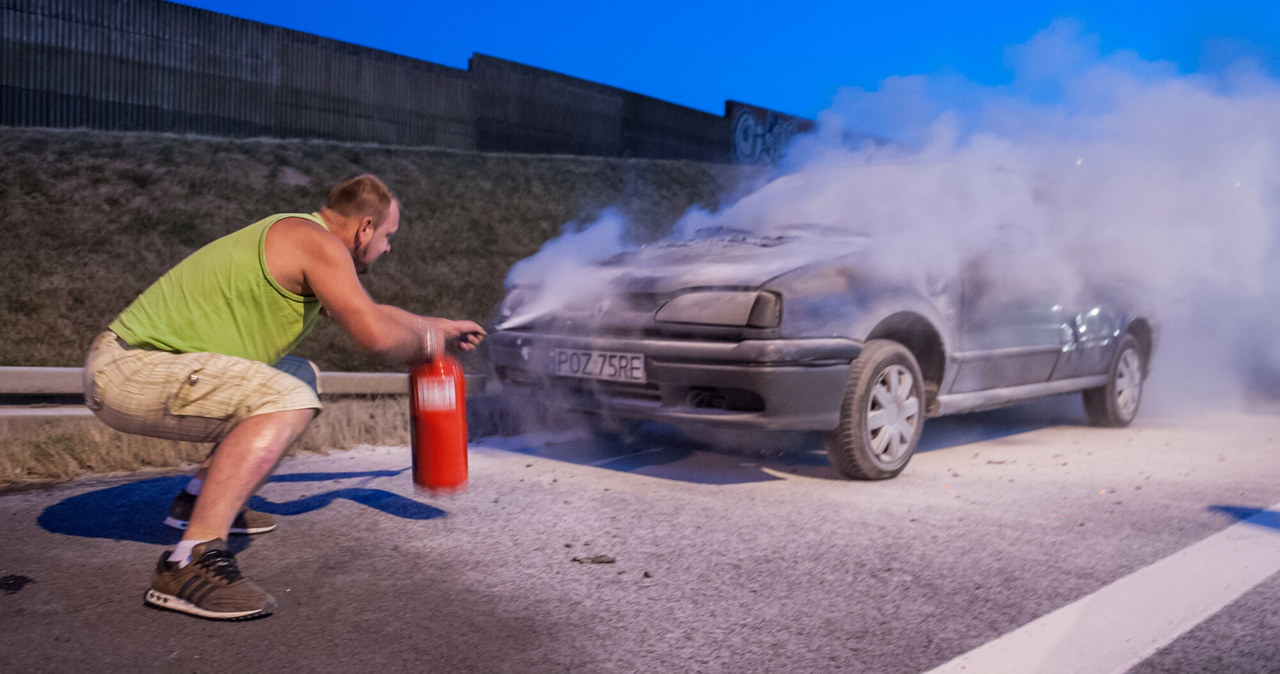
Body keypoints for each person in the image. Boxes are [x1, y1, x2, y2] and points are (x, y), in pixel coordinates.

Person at [82, 174, 485, 620]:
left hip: (137, 364)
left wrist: (437, 325)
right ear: (365, 227)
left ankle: (198, 501)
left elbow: (368, 311)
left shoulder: (304, 237)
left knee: (298, 374)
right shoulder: (315, 242)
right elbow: (374, 335)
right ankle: (188, 562)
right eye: (388, 236)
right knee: (288, 396)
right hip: (129, 369)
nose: (388, 248)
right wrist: (431, 346)